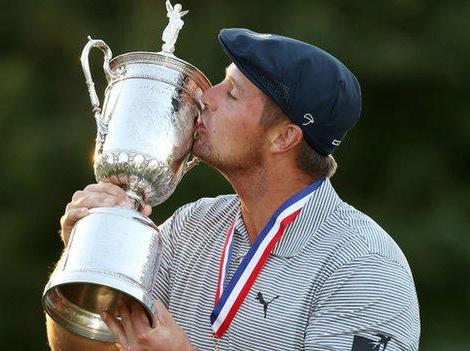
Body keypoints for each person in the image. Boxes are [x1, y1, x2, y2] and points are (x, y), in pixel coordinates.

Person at [48, 28, 421, 351]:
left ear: (284, 138)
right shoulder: (193, 226)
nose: (204, 98)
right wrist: (84, 257)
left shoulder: (365, 269)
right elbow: (87, 345)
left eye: (232, 94)